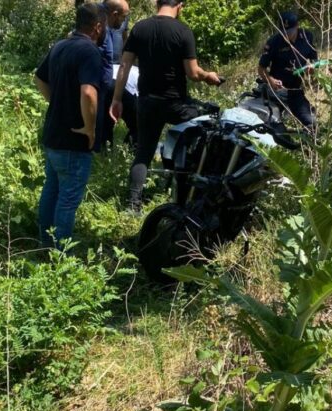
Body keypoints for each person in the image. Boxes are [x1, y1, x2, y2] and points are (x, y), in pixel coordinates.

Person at [110, 0, 222, 213]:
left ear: (157, 4)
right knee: (209, 122)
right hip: (175, 105)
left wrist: (116, 99)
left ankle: (133, 205)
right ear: (179, 5)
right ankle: (188, 188)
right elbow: (193, 73)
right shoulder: (183, 31)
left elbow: (124, 66)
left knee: (143, 152)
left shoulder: (140, 28)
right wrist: (209, 76)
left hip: (146, 101)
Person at [34, 3, 107, 248]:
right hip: (73, 141)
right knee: (67, 200)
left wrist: (56, 101)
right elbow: (88, 93)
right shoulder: (90, 52)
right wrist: (90, 128)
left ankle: (46, 244)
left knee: (52, 191)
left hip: (54, 135)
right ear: (98, 27)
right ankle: (60, 255)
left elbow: (39, 78)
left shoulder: (60, 46)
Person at [258, 11, 318, 132]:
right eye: (283, 32)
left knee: (311, 123)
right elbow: (261, 68)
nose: (286, 35)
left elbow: (314, 59)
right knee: (269, 126)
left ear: (297, 26)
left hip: (295, 90)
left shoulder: (307, 37)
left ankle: (307, 147)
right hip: (275, 91)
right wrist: (270, 80)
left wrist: (312, 67)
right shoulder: (273, 42)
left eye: (289, 32)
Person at [96, 0, 130, 151]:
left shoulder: (108, 24)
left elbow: (124, 37)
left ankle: (105, 148)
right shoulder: (97, 22)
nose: (124, 21)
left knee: (106, 118)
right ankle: (100, 149)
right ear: (114, 15)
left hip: (108, 78)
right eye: (123, 17)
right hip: (97, 81)